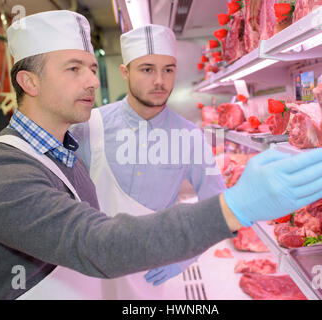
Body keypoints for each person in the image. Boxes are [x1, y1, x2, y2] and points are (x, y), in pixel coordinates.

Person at [0, 10, 322, 300]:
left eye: (91, 67)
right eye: (73, 69)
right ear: (28, 82)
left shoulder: (60, 153)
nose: (91, 80)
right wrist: (233, 207)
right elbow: (96, 244)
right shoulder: (1, 173)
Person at [70, 24, 226, 298]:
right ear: (125, 71)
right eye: (147, 69)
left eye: (168, 69)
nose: (160, 81)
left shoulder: (189, 136)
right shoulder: (88, 127)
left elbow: (217, 206)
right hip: (86, 269)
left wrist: (184, 259)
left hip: (149, 275)